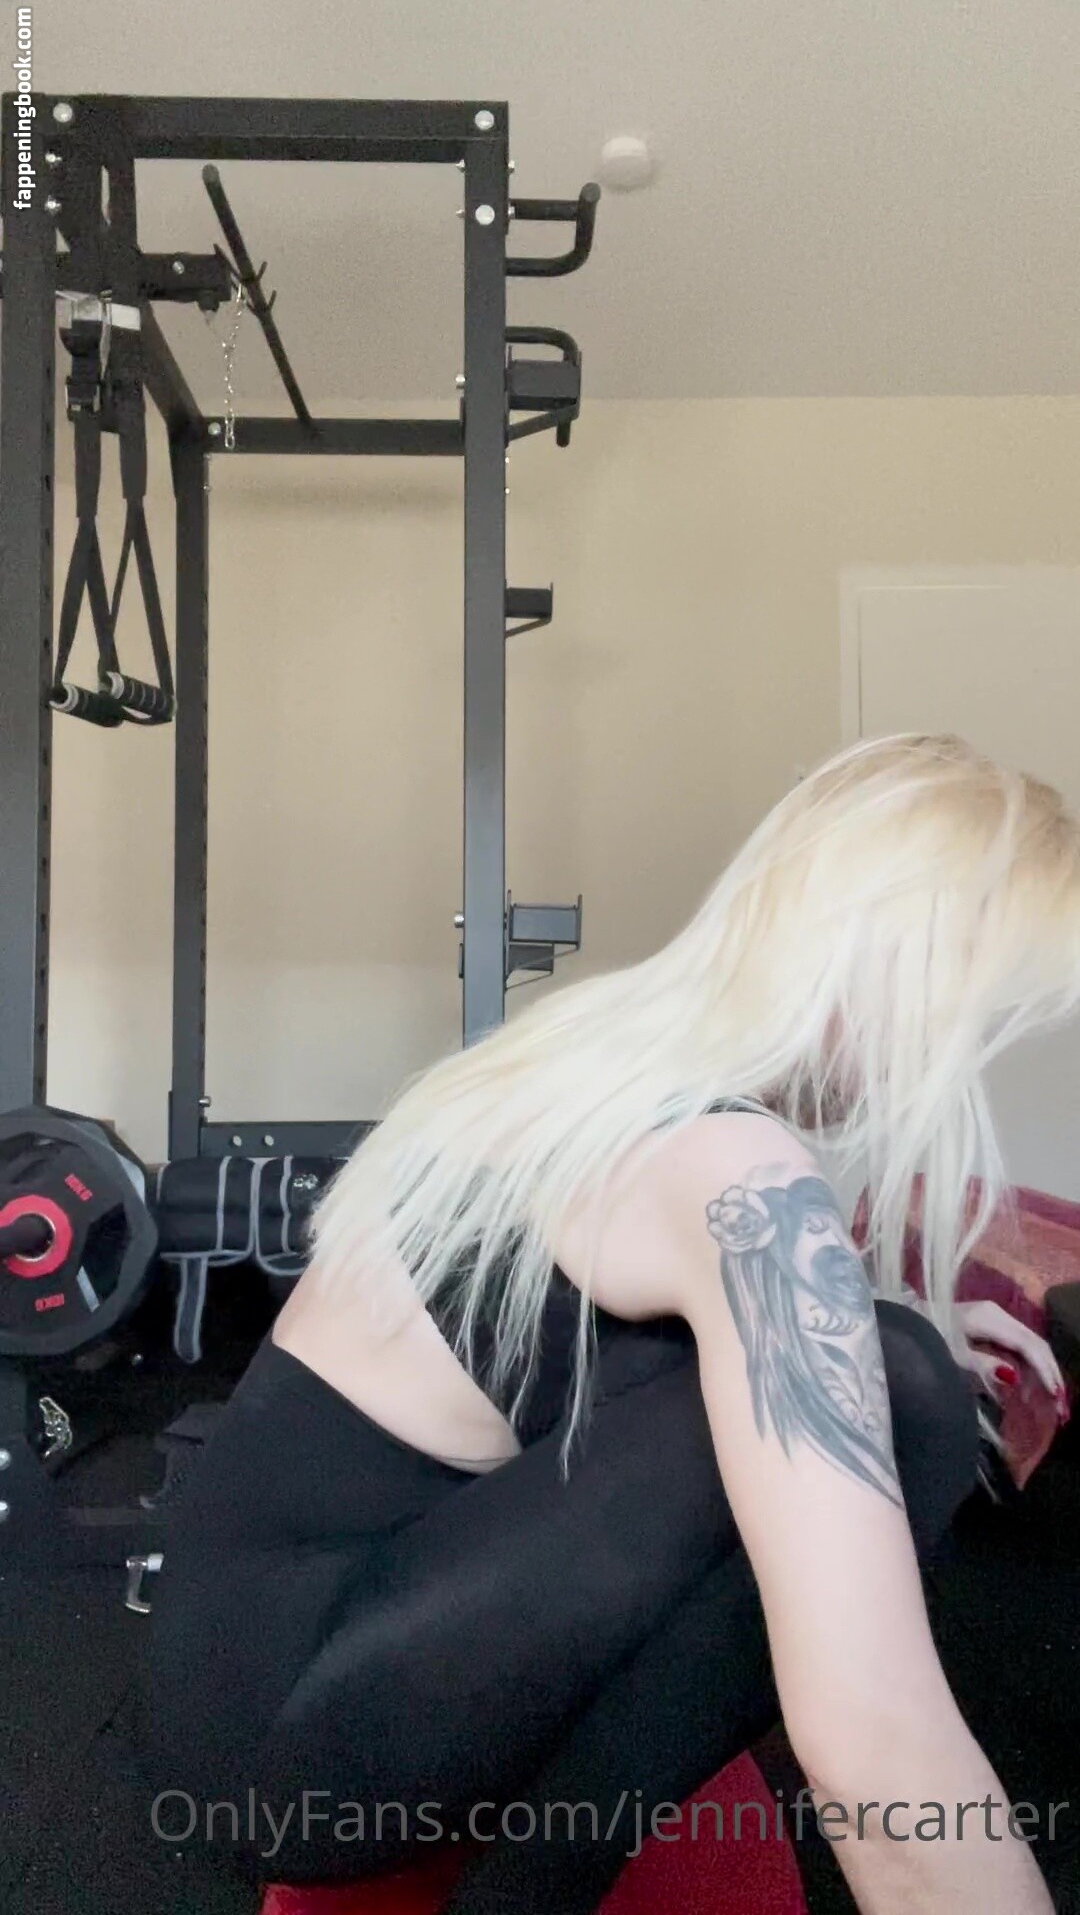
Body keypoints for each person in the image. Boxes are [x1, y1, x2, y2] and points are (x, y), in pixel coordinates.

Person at [143, 733, 1076, 1915]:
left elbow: (629, 1319)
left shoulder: (608, 1064)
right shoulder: (728, 1163)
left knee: (894, 1366)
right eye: (978, 1023)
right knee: (906, 1395)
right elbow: (875, 1738)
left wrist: (895, 1318)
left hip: (249, 1665)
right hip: (294, 1747)